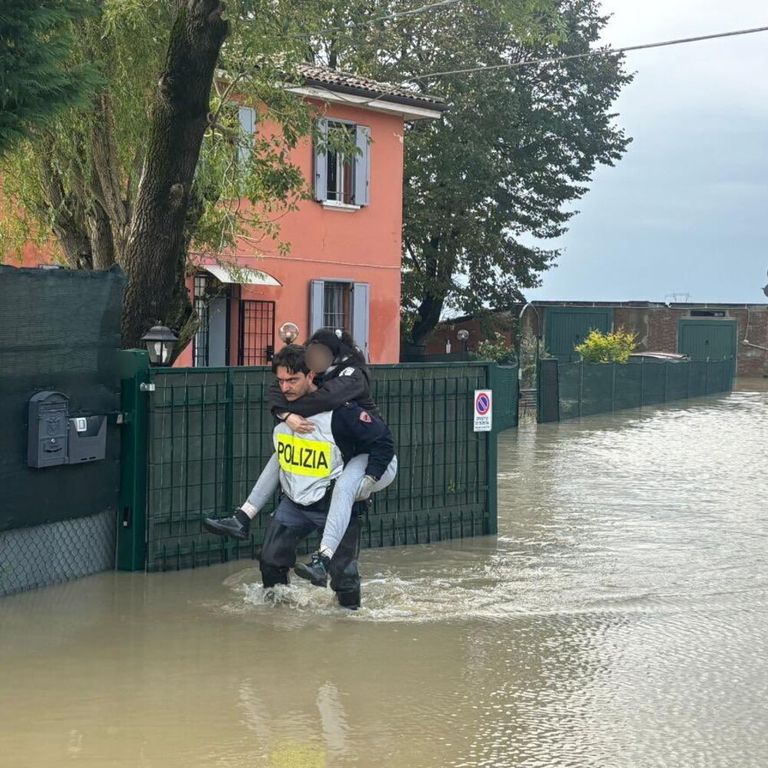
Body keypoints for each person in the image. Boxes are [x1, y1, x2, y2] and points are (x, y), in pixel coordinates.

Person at [203, 345, 398, 609]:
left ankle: (348, 627)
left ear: (311, 376)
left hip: (335, 504)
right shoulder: (282, 406)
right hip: (295, 501)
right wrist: (285, 414)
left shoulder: (343, 413)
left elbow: (383, 442)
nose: (285, 388)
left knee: (344, 578)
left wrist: (368, 480)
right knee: (270, 562)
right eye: (281, 380)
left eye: (292, 380)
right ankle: (277, 622)